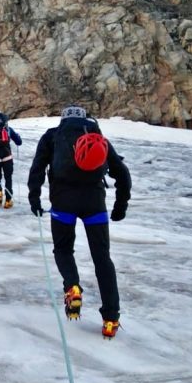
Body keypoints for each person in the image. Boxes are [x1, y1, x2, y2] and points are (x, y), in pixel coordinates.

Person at [27, 106, 132, 339]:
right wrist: (120, 207)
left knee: (63, 249)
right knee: (102, 258)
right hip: (94, 204)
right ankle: (110, 319)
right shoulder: (97, 137)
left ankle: (72, 287)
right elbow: (122, 173)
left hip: (63, 203)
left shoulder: (52, 136)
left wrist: (34, 197)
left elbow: (37, 168)